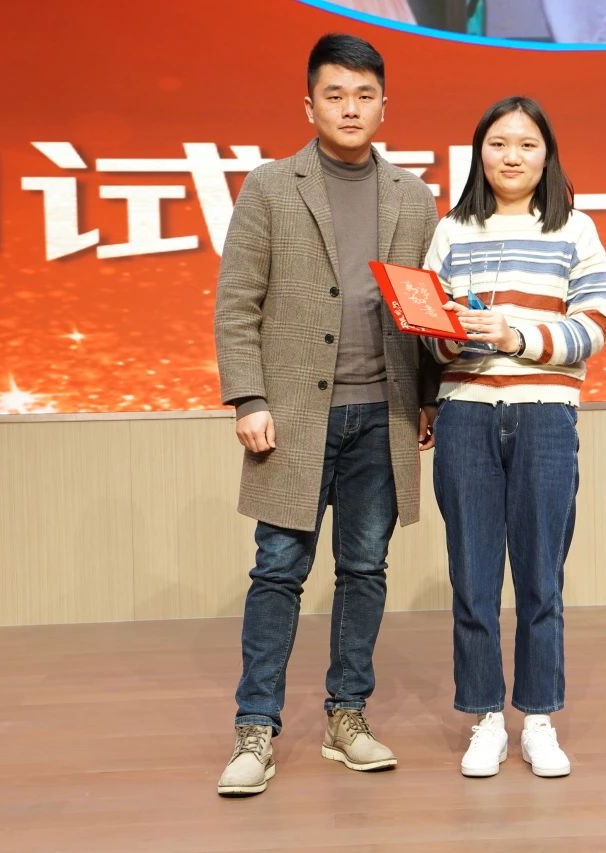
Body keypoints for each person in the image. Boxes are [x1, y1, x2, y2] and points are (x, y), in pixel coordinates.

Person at [213, 32, 439, 796]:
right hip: (293, 417)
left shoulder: (413, 196)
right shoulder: (270, 186)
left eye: (364, 95)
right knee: (278, 569)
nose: (350, 108)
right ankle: (255, 728)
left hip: (384, 411)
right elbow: (236, 302)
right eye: (335, 94)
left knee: (365, 568)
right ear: (308, 104)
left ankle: (347, 715)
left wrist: (429, 398)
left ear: (384, 106)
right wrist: (249, 397)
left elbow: (424, 307)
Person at [422, 96, 606, 778]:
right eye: (498, 144)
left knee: (540, 577)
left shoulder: (576, 230)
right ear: (479, 154)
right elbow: (430, 332)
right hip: (466, 414)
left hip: (545, 415)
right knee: (473, 577)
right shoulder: (450, 231)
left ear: (547, 155)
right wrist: (450, 335)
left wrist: (515, 336)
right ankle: (483, 719)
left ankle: (537, 719)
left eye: (527, 144)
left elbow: (593, 326)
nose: (511, 156)